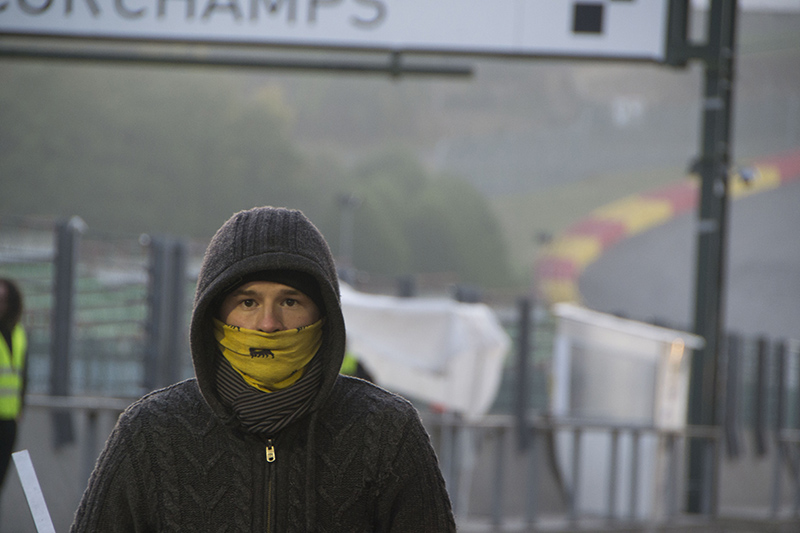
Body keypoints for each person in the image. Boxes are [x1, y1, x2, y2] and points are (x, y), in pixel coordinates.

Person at [71, 206, 456, 532]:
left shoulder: (387, 432)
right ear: (214, 314)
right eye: (248, 302)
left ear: (323, 314)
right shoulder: (151, 433)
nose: (268, 324)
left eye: (290, 301)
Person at [0, 278, 27, 494]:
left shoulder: (18, 334)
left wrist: (20, 408)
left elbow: (22, 375)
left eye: (4, 300)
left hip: (9, 420)